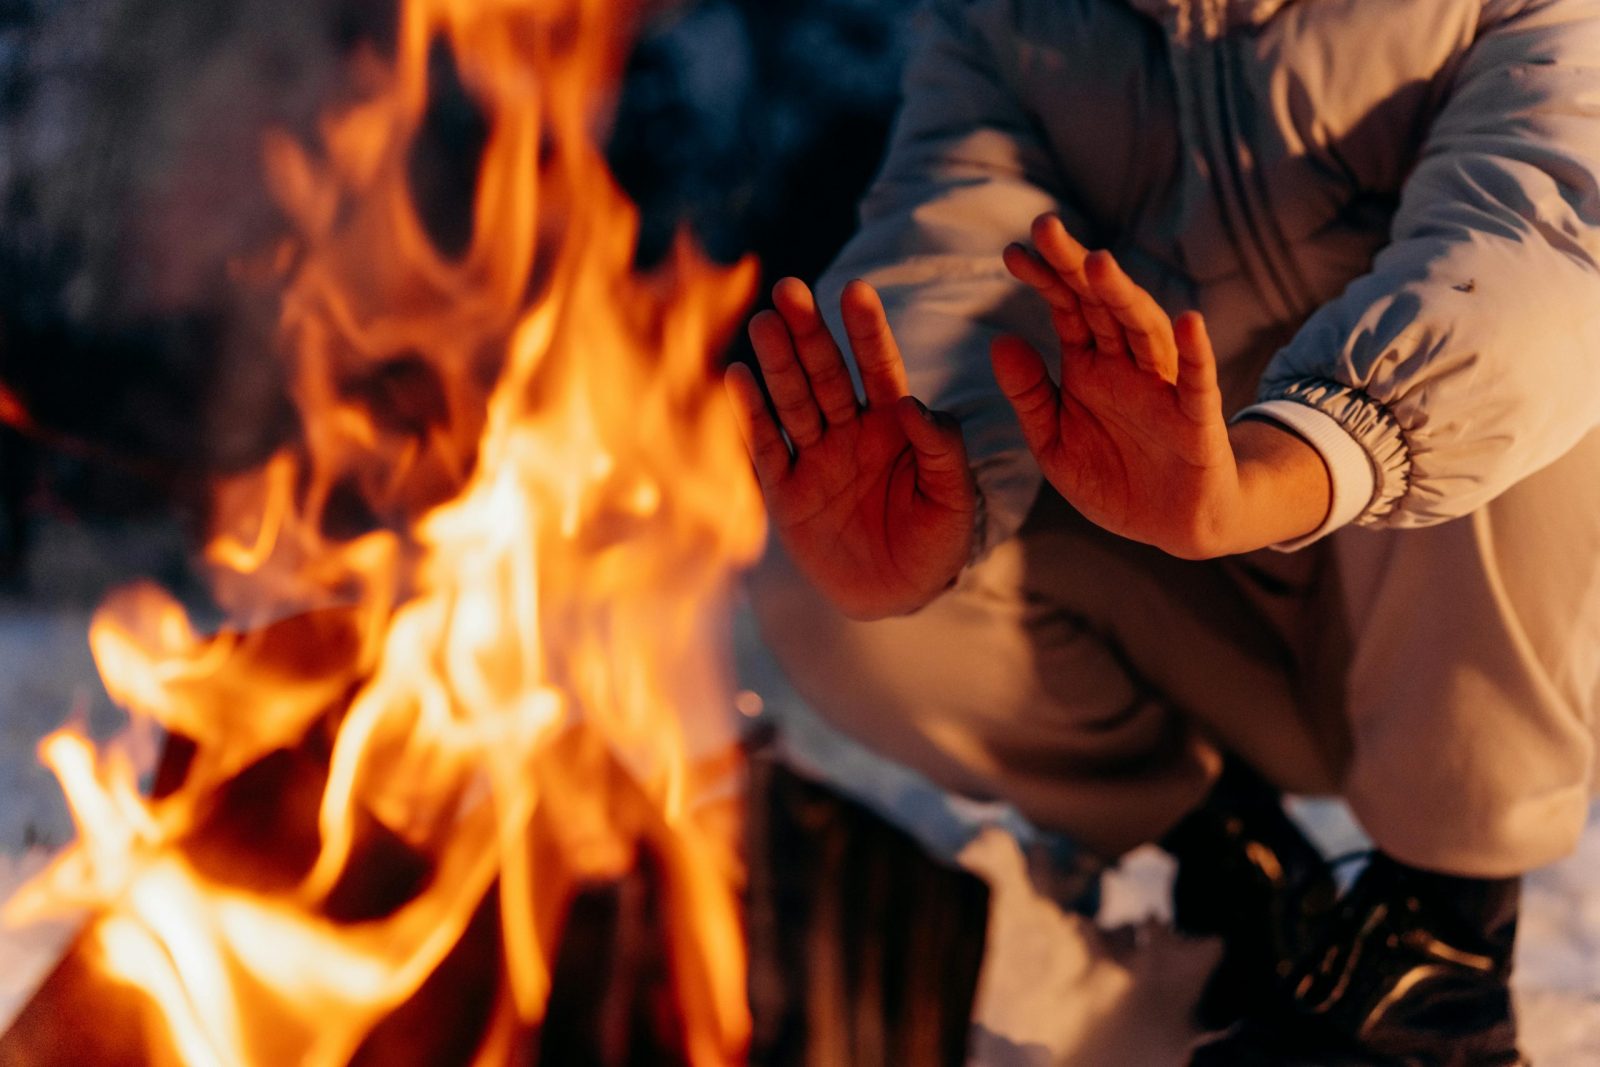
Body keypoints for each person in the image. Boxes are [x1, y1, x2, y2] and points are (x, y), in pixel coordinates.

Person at [723, 0, 1600, 1062]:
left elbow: (1547, 238)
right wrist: (925, 469)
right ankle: (1237, 874)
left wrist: (1278, 470)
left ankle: (1437, 954)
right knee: (844, 585)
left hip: (1505, 644)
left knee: (1517, 360)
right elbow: (958, 247)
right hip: (1219, 587)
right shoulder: (1005, 21)